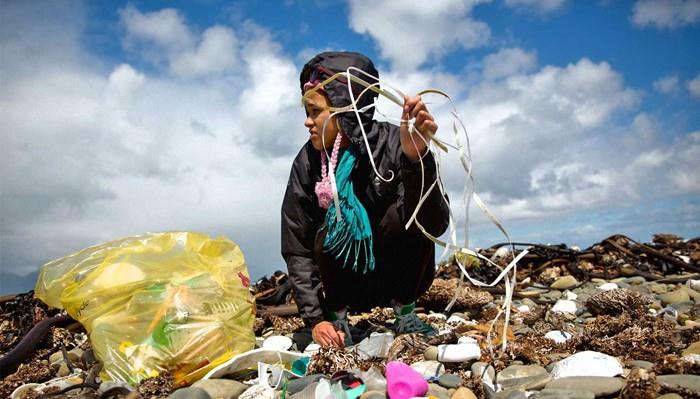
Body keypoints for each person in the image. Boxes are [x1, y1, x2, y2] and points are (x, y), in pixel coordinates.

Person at [281, 51, 450, 348]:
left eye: (315, 112)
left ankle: (405, 314)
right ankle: (338, 318)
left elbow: (433, 226)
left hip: (397, 278)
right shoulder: (308, 162)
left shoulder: (396, 142)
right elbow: (296, 245)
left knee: (402, 217)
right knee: (332, 221)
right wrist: (315, 318)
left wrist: (417, 159)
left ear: (345, 110)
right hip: (343, 288)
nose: (307, 123)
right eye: (306, 113)